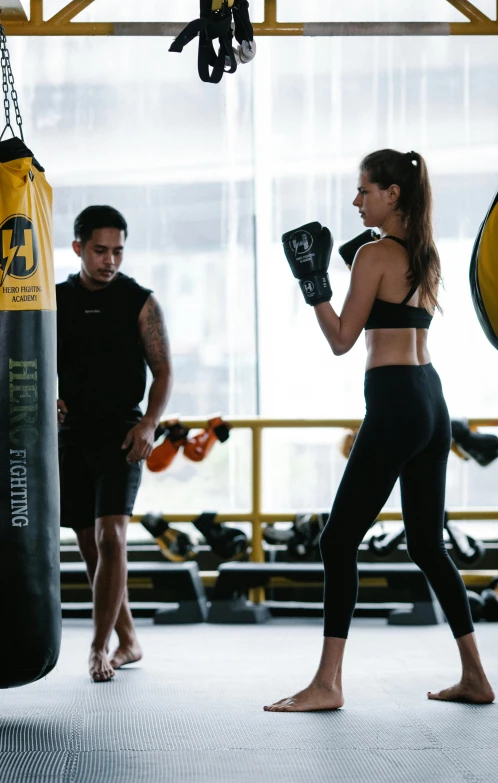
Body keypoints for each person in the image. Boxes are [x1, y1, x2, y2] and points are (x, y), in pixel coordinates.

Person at [265, 149, 495, 712]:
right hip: (431, 401)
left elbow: (343, 339)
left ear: (392, 194)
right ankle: (475, 675)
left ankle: (327, 683)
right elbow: (393, 309)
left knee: (338, 540)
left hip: (393, 403)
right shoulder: (424, 252)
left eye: (364, 190)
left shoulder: (373, 254)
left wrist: (313, 286)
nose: (356, 200)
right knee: (426, 544)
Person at [56, 205, 172, 683]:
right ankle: (128, 639)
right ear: (79, 247)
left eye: (118, 251)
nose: (110, 261)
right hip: (72, 435)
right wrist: (49, 399)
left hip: (123, 435)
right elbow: (33, 357)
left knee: (110, 537)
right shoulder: (54, 298)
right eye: (101, 251)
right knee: (89, 544)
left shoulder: (139, 301)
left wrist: (148, 423)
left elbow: (163, 370)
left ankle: (99, 647)